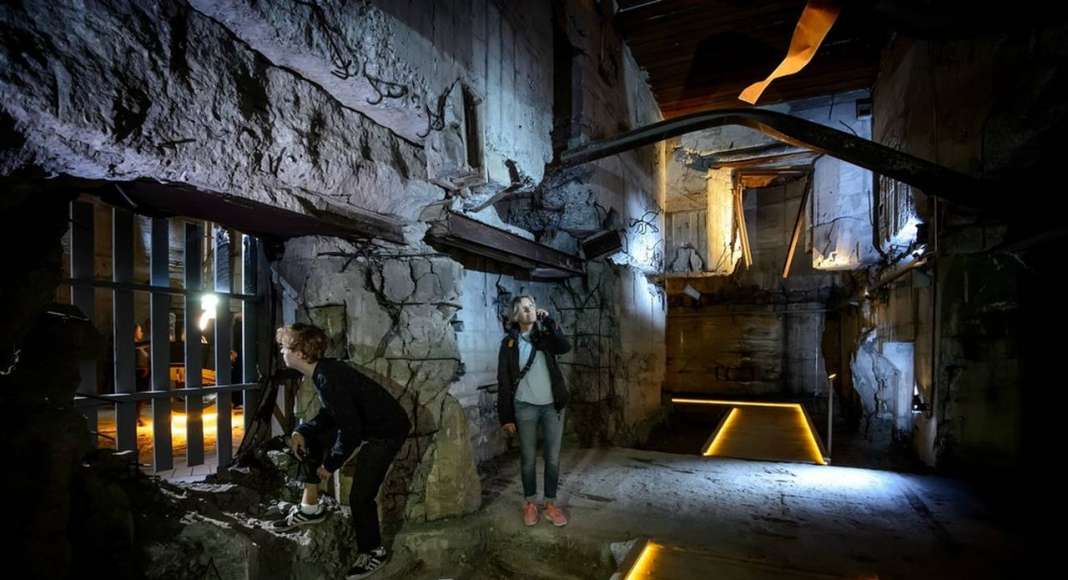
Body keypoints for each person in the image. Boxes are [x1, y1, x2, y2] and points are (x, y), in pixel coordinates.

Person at [270, 323, 411, 580]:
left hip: (386, 432)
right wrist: (302, 430)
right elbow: (331, 414)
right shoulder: (325, 373)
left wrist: (329, 466)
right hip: (369, 426)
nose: (281, 352)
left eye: (284, 347)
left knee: (360, 496)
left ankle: (374, 552)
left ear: (300, 353)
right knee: (309, 436)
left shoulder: (329, 377)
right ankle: (310, 508)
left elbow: (351, 432)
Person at [496, 295, 572, 527]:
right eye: (524, 308)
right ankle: (530, 502)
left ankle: (550, 504)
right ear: (516, 315)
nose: (530, 310)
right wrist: (506, 416)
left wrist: (549, 323)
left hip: (552, 406)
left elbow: (564, 346)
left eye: (532, 306)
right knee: (528, 459)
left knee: (552, 458)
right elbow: (504, 381)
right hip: (524, 406)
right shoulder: (509, 343)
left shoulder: (545, 336)